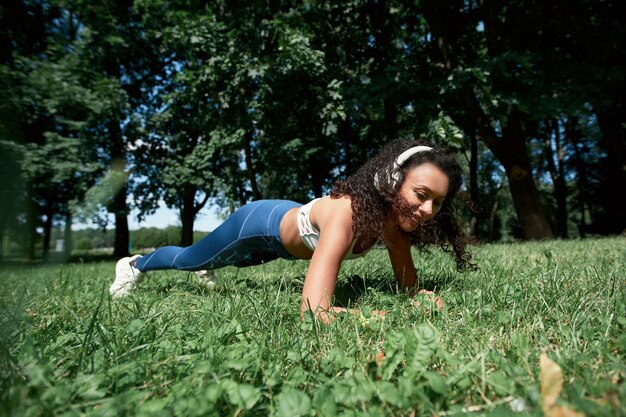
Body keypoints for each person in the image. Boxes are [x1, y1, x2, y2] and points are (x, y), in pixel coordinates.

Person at [110, 139, 475, 321]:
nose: (428, 210)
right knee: (190, 259)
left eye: (438, 203)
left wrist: (420, 296)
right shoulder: (346, 215)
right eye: (421, 195)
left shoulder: (393, 226)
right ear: (391, 180)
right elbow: (314, 312)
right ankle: (136, 264)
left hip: (283, 237)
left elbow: (408, 287)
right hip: (256, 225)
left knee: (235, 263)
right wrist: (377, 316)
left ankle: (214, 263)